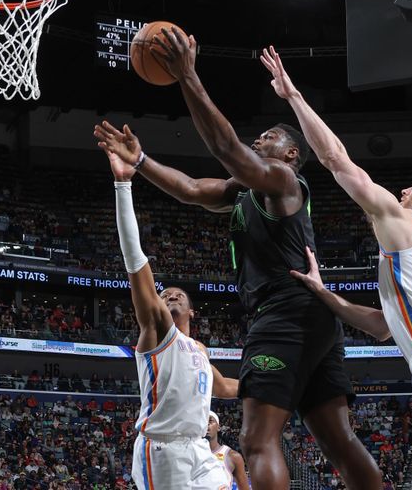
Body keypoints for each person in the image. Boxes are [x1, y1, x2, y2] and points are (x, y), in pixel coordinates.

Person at [95, 28, 382, 490]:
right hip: (315, 320)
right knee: (338, 439)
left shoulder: (285, 182)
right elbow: (190, 189)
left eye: (267, 137)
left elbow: (227, 149)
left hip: (283, 314)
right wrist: (141, 160)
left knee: (256, 441)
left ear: (290, 154)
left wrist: (188, 75)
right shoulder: (242, 193)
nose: (258, 139)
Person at [260, 46, 412, 490]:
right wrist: (324, 293)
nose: (404, 189)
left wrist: (293, 96)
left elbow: (338, 163)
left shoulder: (408, 221)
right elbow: (383, 326)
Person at [102, 141, 237, 489]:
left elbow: (224, 388)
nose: (171, 294)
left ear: (192, 310)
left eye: (179, 295)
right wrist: (123, 185)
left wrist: (285, 385)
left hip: (198, 448)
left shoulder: (200, 350)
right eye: (165, 294)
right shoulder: (158, 329)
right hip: (161, 449)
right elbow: (135, 259)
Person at [207, 411, 249, 490]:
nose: (206, 424)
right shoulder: (189, 454)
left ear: (219, 427)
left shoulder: (233, 456)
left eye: (210, 421)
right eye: (203, 421)